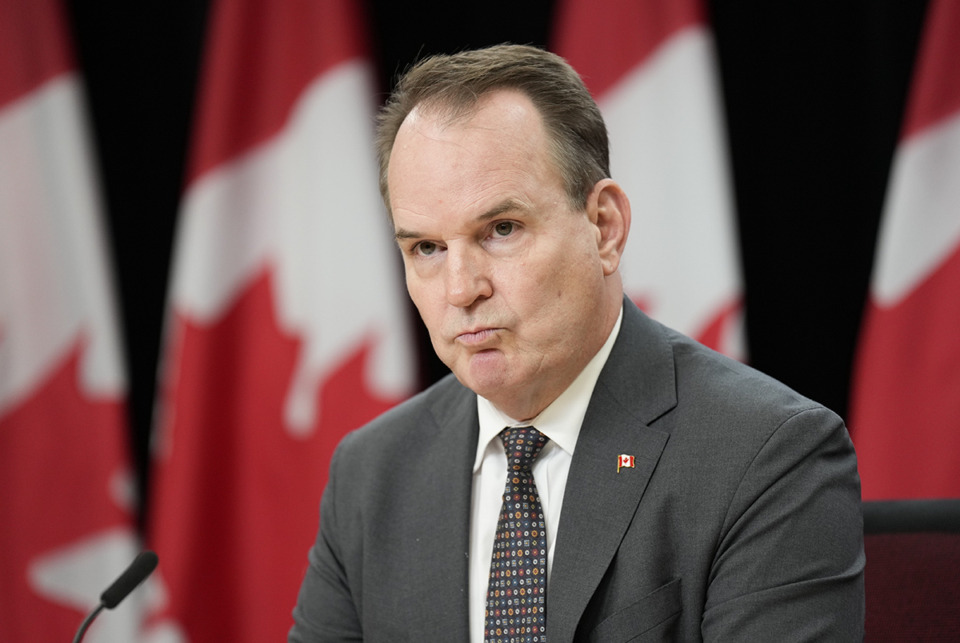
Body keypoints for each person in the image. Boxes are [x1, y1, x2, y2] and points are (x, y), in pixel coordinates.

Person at [289, 44, 864, 642]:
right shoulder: (371, 473)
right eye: (426, 249)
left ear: (605, 228)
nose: (460, 290)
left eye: (501, 230)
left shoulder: (766, 456)